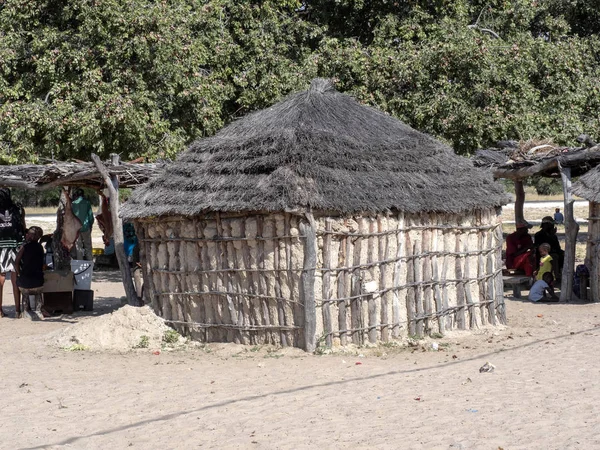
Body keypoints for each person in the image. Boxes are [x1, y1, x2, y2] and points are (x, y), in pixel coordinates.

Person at [0, 188, 26, 317]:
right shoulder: (18, 209)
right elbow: (23, 227)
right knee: (15, 277)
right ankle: (17, 310)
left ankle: (0, 311)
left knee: (1, 278)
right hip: (15, 247)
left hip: (0, 248)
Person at [15, 226, 45, 318]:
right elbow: (42, 265)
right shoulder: (40, 248)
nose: (27, 235)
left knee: (24, 290)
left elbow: (16, 263)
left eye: (29, 234)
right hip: (38, 282)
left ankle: (25, 311)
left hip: (25, 282)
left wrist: (19, 273)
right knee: (39, 291)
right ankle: (38, 310)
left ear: (33, 236)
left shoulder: (24, 247)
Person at [71, 188, 94, 261]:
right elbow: (90, 216)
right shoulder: (87, 203)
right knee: (88, 246)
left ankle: (80, 262)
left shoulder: (73, 204)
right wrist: (90, 225)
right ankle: (90, 263)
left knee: (78, 246)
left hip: (76, 228)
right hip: (85, 227)